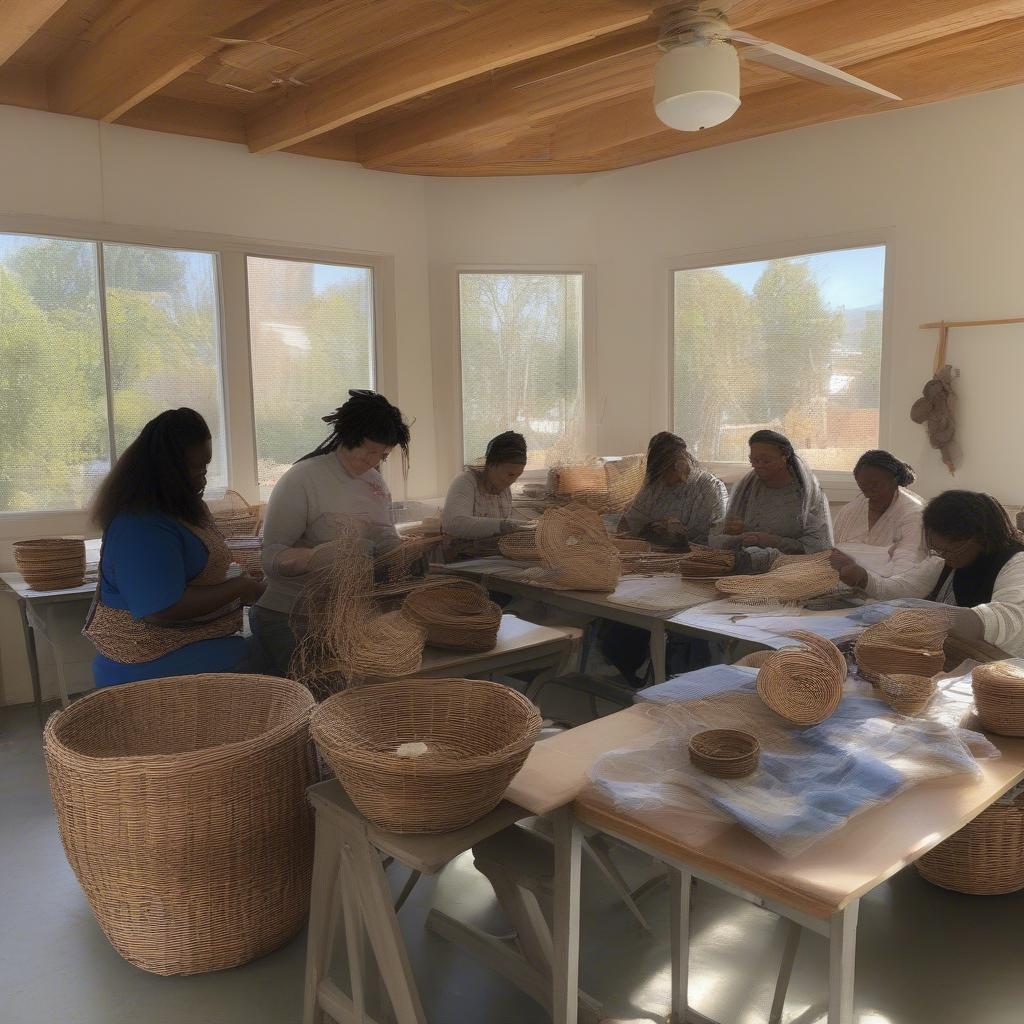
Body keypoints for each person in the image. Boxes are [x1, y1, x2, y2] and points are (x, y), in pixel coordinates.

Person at [85, 408, 262, 687]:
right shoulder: (140, 525)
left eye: (207, 467)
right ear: (168, 470)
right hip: (146, 659)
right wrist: (239, 588)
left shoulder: (182, 508)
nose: (204, 477)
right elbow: (163, 607)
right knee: (273, 659)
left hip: (189, 639)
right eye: (198, 468)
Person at [251, 389, 411, 676]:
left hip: (345, 616)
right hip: (289, 615)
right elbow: (270, 558)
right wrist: (316, 557)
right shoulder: (302, 479)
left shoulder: (374, 484)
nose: (373, 461)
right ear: (347, 437)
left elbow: (382, 534)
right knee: (312, 695)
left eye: (382, 455)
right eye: (369, 450)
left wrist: (396, 550)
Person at [830, 490, 1024, 657]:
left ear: (981, 537)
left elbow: (1011, 618)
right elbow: (903, 588)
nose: (945, 557)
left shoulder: (1016, 563)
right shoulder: (946, 562)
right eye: (938, 550)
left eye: (952, 549)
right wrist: (862, 577)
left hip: (1005, 672)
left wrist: (941, 619)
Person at [709, 429, 833, 572]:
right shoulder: (746, 487)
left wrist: (775, 542)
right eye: (754, 461)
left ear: (784, 458)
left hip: (792, 570)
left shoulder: (807, 493)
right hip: (746, 565)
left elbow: (819, 547)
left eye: (766, 461)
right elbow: (720, 535)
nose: (759, 465)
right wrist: (732, 532)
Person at [622, 432, 727, 546]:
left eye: (666, 472)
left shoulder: (709, 487)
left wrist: (678, 533)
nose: (663, 479)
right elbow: (629, 523)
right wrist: (652, 527)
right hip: (657, 551)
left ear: (680, 464)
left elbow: (716, 538)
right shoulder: (656, 486)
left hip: (695, 554)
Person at [833, 449, 927, 573]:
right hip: (848, 582)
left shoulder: (913, 515)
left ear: (894, 480)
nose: (869, 494)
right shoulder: (850, 511)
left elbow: (906, 565)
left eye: (875, 485)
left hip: (892, 584)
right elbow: (832, 551)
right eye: (863, 488)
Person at [442, 431, 530, 539]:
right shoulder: (465, 481)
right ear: (491, 465)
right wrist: (503, 525)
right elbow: (454, 524)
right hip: (461, 554)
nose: (513, 480)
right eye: (510, 474)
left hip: (487, 552)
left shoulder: (505, 489)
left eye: (518, 475)